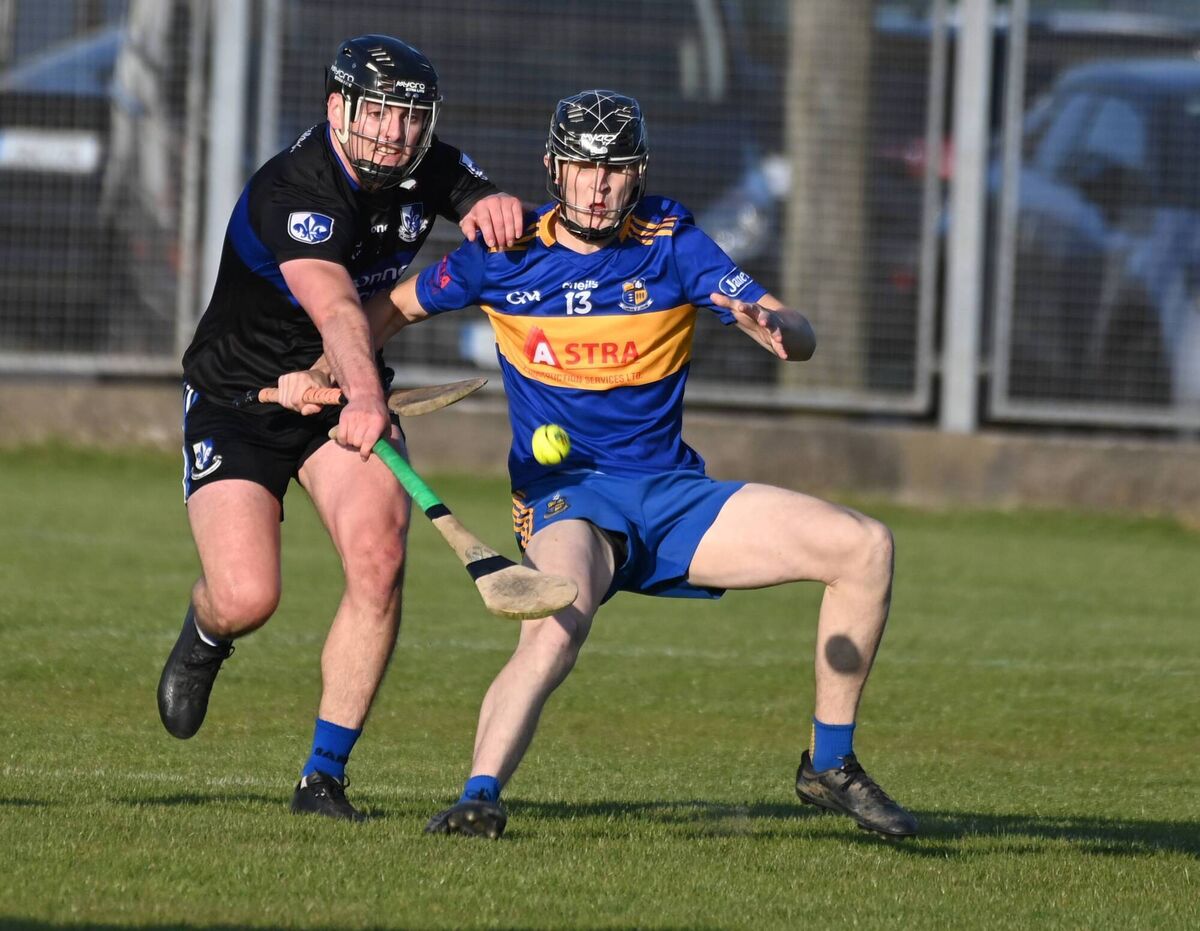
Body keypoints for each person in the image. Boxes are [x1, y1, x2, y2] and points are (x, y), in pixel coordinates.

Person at [292, 89, 917, 840]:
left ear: (638, 173)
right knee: (557, 620)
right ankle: (479, 795)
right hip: (570, 499)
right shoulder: (504, 251)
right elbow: (388, 312)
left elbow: (798, 330)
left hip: (675, 497)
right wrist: (342, 382)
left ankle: (830, 764)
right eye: (584, 168)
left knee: (864, 547)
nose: (599, 184)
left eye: (616, 169)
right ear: (554, 169)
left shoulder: (672, 239)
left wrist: (779, 326)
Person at [156, 34, 524, 822]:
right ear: (337, 109)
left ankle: (322, 775)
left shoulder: (425, 164)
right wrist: (363, 392)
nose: (394, 132)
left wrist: (493, 206)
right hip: (244, 399)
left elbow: (478, 201)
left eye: (410, 118)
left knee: (380, 556)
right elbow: (334, 310)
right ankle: (207, 628)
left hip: (341, 398)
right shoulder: (297, 189)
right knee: (248, 595)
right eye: (379, 114)